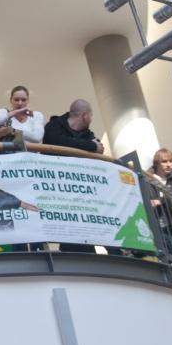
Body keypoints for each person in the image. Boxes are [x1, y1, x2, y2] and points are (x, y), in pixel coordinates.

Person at [43, 100, 105, 253]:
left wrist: (89, 145)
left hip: (79, 193)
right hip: (54, 189)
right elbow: (56, 141)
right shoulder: (54, 125)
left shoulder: (89, 134)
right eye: (91, 116)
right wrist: (90, 146)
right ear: (84, 115)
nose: (91, 119)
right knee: (66, 226)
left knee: (83, 228)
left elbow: (99, 149)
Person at [146, 148, 172, 258]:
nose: (168, 165)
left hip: (171, 225)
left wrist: (160, 200)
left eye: (171, 161)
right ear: (157, 163)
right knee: (160, 257)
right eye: (164, 161)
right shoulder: (146, 177)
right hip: (153, 224)